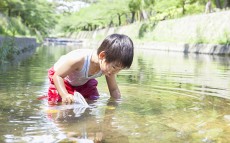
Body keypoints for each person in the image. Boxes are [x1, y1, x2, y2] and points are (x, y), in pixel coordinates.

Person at [47, 34, 134, 105]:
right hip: (61, 78)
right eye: (115, 67)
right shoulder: (78, 60)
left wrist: (117, 103)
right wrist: (64, 94)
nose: (115, 72)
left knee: (93, 100)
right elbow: (57, 76)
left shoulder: (109, 68)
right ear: (102, 56)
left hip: (82, 80)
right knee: (58, 102)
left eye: (119, 69)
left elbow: (114, 90)